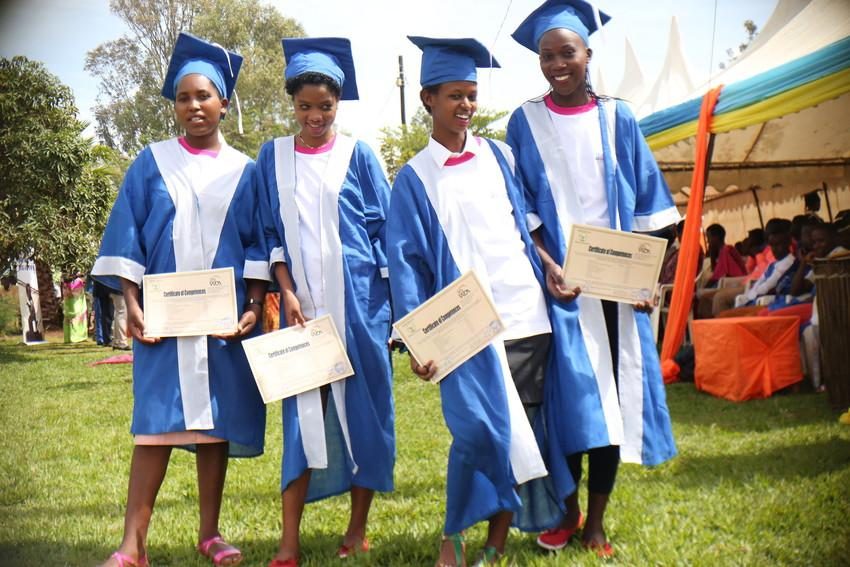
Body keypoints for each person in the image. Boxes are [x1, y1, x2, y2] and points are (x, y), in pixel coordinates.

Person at [387, 36, 568, 566]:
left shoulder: (502, 155)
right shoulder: (414, 178)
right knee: (474, 431)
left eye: (471, 95)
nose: (465, 106)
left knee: (522, 430)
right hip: (463, 326)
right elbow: (405, 265)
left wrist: (551, 267)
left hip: (524, 312)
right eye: (453, 96)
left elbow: (525, 225)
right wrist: (415, 341)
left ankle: (495, 543)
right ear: (427, 100)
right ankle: (453, 538)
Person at [506, 0, 678, 556]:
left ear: (588, 54)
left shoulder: (619, 117)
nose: (557, 64)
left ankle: (597, 521)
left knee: (613, 409)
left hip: (619, 288)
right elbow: (521, 208)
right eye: (546, 55)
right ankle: (567, 508)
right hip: (562, 289)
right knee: (571, 405)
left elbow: (652, 203)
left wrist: (651, 277)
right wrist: (551, 267)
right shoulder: (524, 120)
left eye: (567, 53)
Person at [91, 32, 270, 567]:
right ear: (174, 105)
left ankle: (210, 533)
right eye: (185, 97)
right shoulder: (150, 162)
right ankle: (133, 545)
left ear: (224, 103)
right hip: (163, 323)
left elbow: (260, 243)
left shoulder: (247, 169)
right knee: (154, 428)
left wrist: (254, 307)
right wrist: (132, 305)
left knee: (213, 428)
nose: (195, 106)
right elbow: (128, 238)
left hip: (222, 323)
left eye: (205, 96)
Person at [256, 37, 395, 567]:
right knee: (300, 421)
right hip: (301, 311)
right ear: (292, 105)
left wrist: (389, 309)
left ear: (339, 105)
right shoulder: (273, 156)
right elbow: (268, 230)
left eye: (325, 106)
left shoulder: (359, 154)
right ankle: (289, 541)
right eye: (305, 106)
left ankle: (356, 530)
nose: (315, 115)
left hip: (360, 308)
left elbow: (384, 231)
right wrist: (286, 291)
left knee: (367, 416)